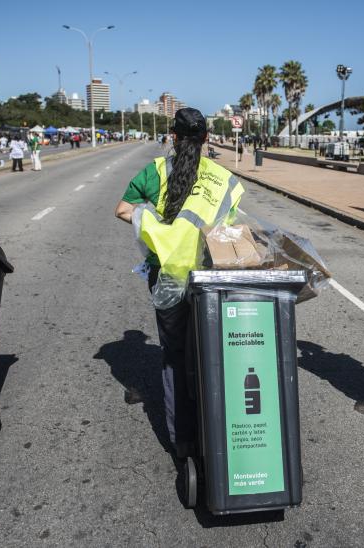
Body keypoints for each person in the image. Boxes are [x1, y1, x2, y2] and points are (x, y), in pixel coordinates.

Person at [114, 108, 244, 459]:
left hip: (166, 276)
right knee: (210, 351)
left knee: (174, 355)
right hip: (208, 279)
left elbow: (123, 210)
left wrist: (157, 229)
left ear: (173, 136)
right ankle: (216, 427)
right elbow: (225, 233)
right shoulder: (223, 180)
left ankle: (183, 441)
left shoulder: (155, 171)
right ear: (206, 139)